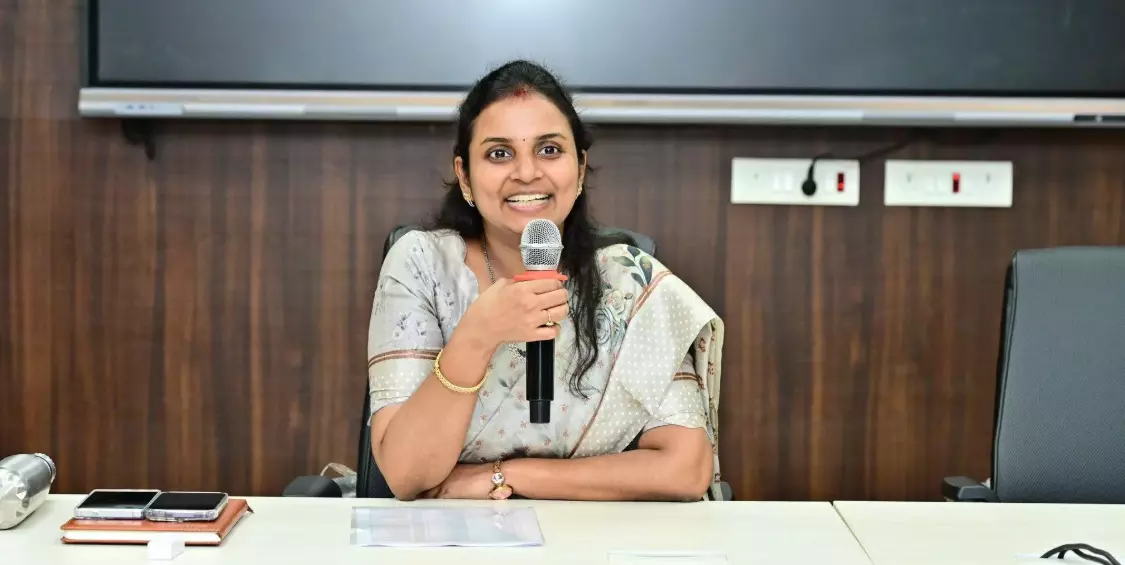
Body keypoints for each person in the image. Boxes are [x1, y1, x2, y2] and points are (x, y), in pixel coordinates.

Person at [365, 60, 725, 502]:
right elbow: (405, 475)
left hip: (590, 534)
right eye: (499, 154)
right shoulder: (423, 265)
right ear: (465, 176)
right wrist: (478, 336)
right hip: (452, 535)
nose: (527, 172)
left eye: (549, 150)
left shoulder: (628, 283)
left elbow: (684, 469)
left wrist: (504, 476)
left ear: (580, 168)